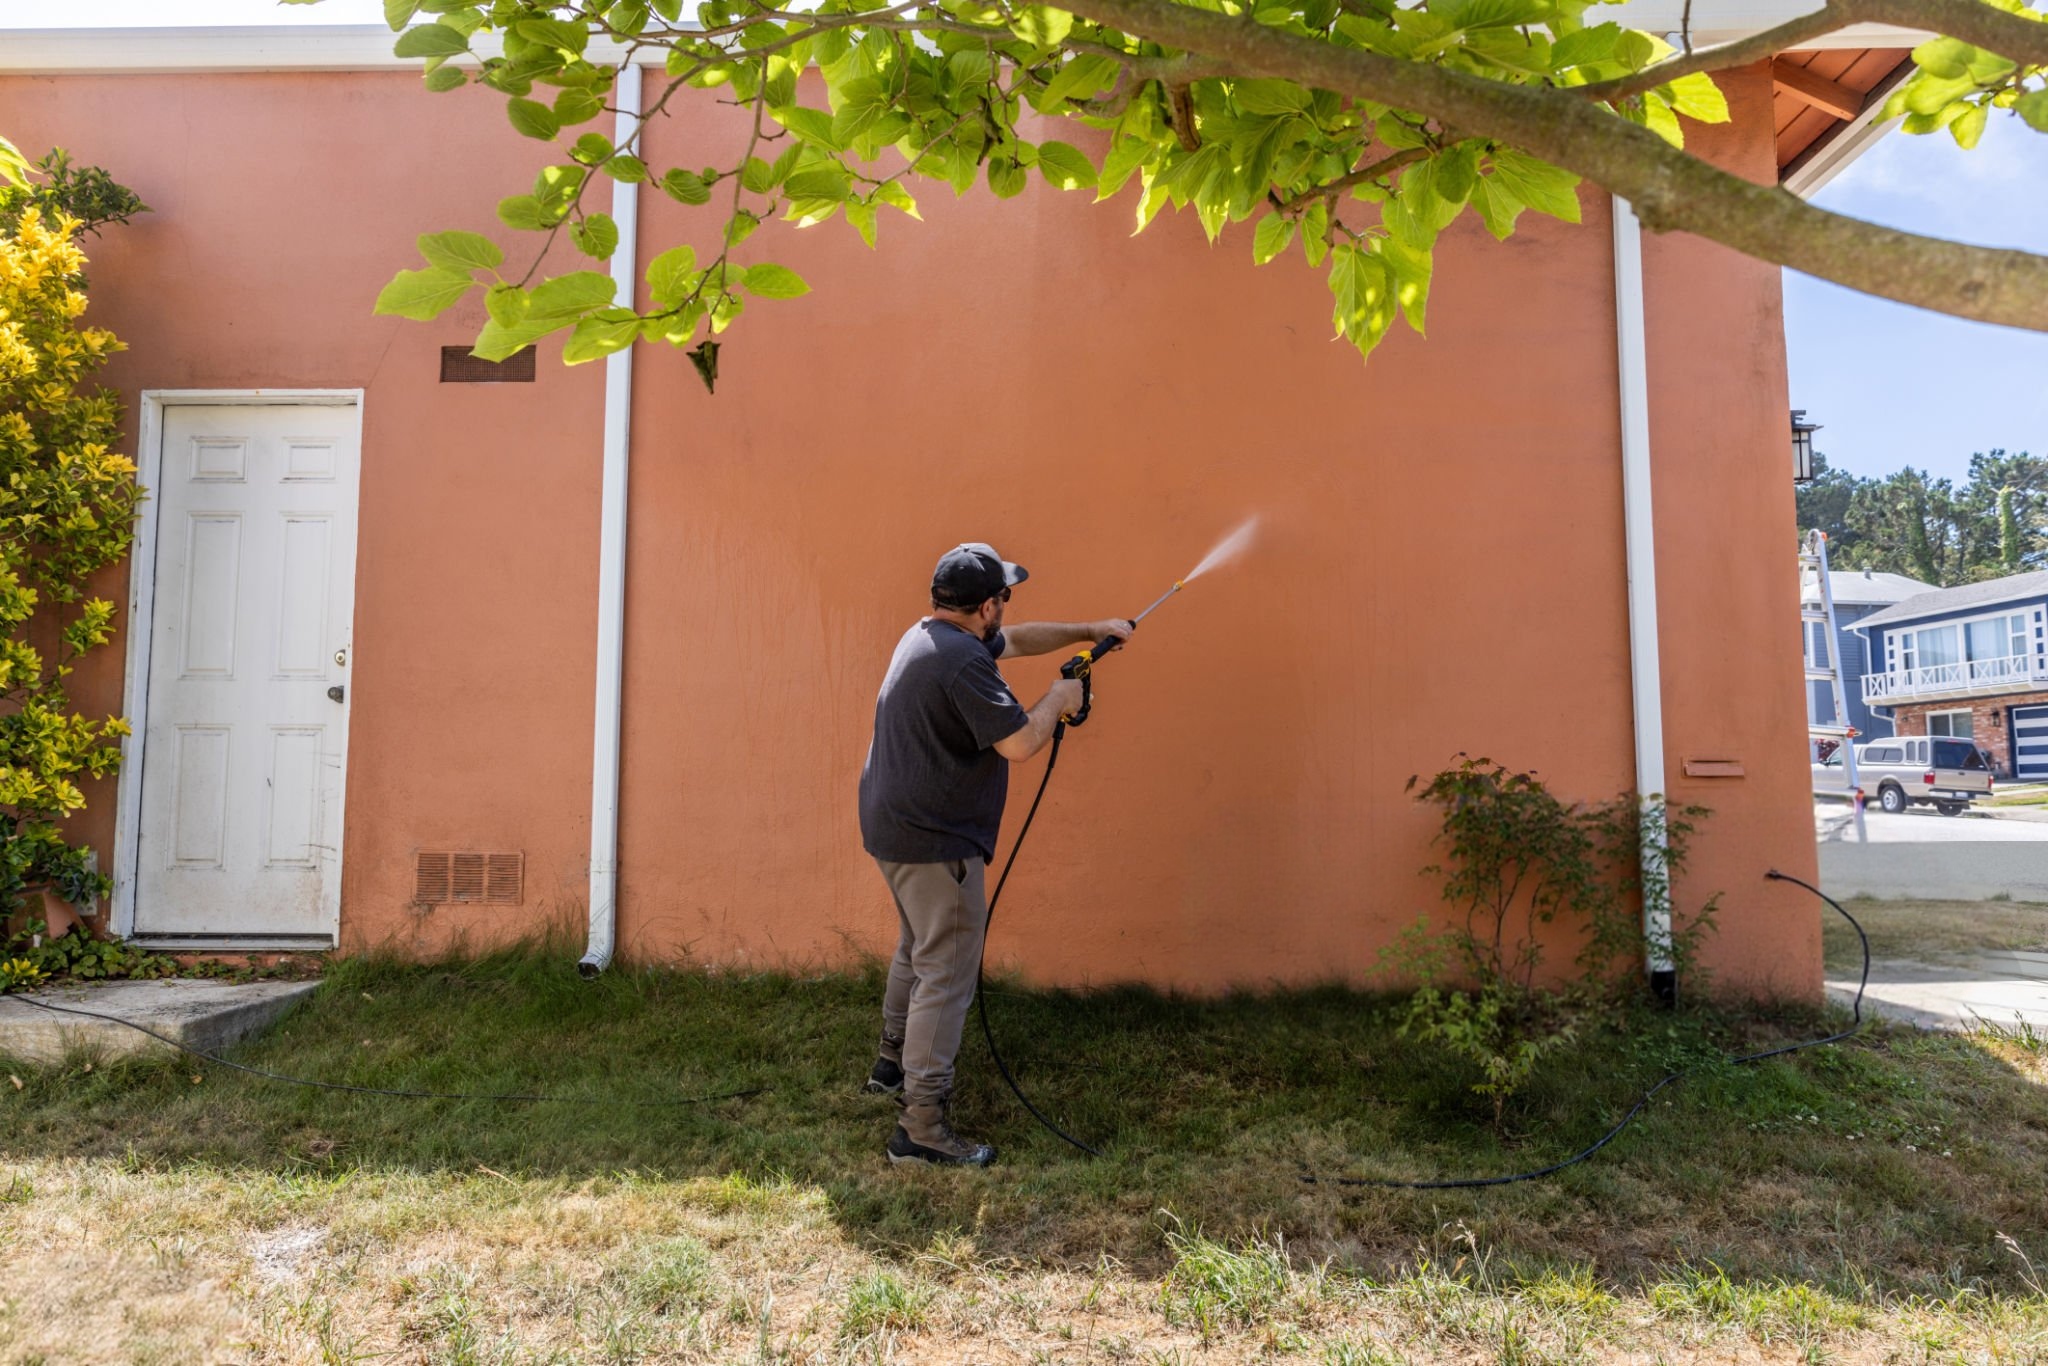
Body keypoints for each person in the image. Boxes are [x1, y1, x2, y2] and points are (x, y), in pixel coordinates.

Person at [857, 542, 1132, 1167]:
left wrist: (1091, 630)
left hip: (894, 825)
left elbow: (1020, 639)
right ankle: (921, 1128)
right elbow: (1019, 743)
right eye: (1004, 596)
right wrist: (1059, 699)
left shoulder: (931, 636)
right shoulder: (962, 663)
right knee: (947, 970)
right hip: (934, 838)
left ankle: (890, 1067)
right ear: (986, 606)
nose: (1007, 606)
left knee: (918, 947)